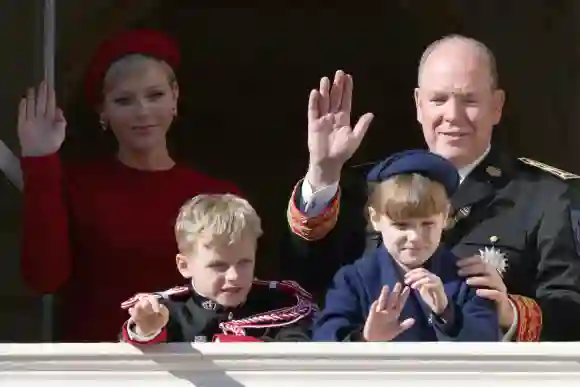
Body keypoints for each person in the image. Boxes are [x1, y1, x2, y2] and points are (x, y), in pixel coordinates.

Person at [285, 34, 580, 341]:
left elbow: (571, 311)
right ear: (418, 104)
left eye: (470, 100)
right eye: (439, 100)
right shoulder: (371, 186)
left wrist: (509, 312)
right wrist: (323, 172)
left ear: (497, 106)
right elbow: (305, 280)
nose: (453, 115)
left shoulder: (545, 196)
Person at [19, 29, 239, 342]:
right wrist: (40, 162)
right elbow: (43, 278)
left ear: (175, 97)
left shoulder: (216, 196)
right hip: (101, 362)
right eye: (124, 100)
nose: (143, 112)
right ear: (103, 111)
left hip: (195, 363)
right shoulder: (79, 187)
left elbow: (237, 297)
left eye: (155, 95)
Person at [313, 150, 500, 342]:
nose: (415, 237)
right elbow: (324, 342)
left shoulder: (466, 281)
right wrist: (365, 339)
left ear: (445, 217)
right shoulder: (354, 280)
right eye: (401, 225)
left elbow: (487, 346)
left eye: (427, 224)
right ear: (375, 218)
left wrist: (448, 313)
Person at [120, 194, 314, 343]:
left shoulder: (281, 309)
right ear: (185, 266)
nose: (234, 276)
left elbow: (297, 356)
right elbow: (134, 349)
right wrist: (146, 329)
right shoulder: (169, 313)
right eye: (218, 266)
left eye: (244, 262)